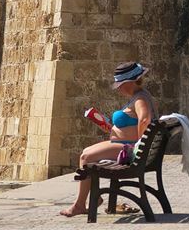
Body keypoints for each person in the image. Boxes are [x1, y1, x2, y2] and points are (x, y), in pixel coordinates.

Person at [60, 61, 158, 218]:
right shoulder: (139, 96)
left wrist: (140, 143)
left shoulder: (140, 99)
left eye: (120, 84)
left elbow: (145, 119)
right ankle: (90, 199)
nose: (118, 88)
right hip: (125, 145)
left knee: (86, 157)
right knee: (85, 153)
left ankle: (80, 204)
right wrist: (112, 128)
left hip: (129, 149)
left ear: (130, 82)